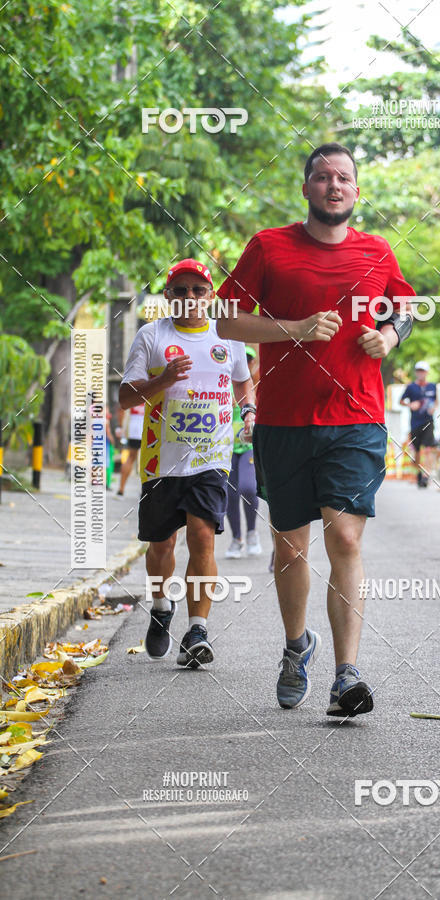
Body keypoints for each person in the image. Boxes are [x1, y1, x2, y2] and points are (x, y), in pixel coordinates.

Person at [216, 142, 414, 717]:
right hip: (283, 421)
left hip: (355, 417)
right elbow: (228, 320)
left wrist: (392, 337)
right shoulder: (268, 247)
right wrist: (295, 327)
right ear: (305, 188)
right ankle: (295, 646)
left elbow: (402, 307)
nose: (334, 186)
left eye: (344, 178)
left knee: (346, 537)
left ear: (356, 191)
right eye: (322, 177)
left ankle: (346, 675)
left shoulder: (378, 252)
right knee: (290, 546)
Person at [119, 259, 255, 665]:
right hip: (163, 461)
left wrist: (248, 411)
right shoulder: (151, 335)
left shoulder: (227, 335)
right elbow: (126, 397)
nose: (189, 298)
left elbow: (242, 380)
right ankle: (161, 607)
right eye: (180, 290)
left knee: (203, 534)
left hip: (213, 457)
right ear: (168, 297)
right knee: (162, 544)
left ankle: (198, 630)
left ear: (210, 295)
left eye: (198, 290)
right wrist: (163, 380)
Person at [225, 346, 262, 558]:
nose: (246, 363)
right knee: (230, 493)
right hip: (227, 447)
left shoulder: (255, 386)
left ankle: (251, 533)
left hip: (249, 446)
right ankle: (236, 539)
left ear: (253, 363)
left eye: (250, 360)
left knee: (248, 488)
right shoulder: (225, 386)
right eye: (243, 359)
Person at [400, 361, 437, 487]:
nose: (421, 373)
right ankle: (418, 474)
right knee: (417, 451)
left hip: (428, 421)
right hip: (415, 423)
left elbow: (437, 401)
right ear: (416, 372)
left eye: (423, 371)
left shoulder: (432, 386)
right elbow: (401, 401)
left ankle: (426, 475)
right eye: (419, 371)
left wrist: (434, 408)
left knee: (427, 449)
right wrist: (410, 405)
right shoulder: (411, 387)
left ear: (427, 373)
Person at [115, 403, 145, 496]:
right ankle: (146, 491)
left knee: (130, 458)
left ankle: (121, 490)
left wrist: (120, 426)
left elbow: (121, 408)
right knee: (147, 460)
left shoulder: (133, 389)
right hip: (147, 426)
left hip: (134, 428)